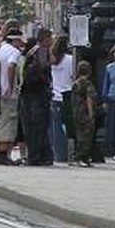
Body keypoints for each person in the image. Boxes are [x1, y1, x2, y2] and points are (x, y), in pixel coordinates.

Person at [0, 25, 24, 164]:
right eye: (20, 41)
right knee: (7, 124)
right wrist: (9, 86)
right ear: (15, 40)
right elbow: (11, 66)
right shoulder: (14, 52)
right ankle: (3, 156)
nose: (21, 44)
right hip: (7, 95)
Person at [18, 28, 54, 166]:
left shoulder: (32, 51)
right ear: (45, 39)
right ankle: (38, 156)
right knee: (39, 126)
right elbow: (44, 70)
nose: (52, 41)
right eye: (50, 38)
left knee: (33, 127)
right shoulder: (42, 51)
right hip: (37, 94)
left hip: (29, 93)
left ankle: (39, 156)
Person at [49, 35, 73, 164]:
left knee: (54, 127)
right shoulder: (70, 60)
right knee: (65, 127)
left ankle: (55, 153)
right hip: (66, 94)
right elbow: (72, 76)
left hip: (54, 95)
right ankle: (64, 154)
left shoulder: (52, 60)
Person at [68, 59, 96, 167]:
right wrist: (91, 113)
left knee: (79, 134)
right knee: (86, 136)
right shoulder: (88, 84)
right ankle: (81, 157)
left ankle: (80, 157)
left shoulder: (75, 83)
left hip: (76, 111)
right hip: (85, 112)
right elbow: (89, 99)